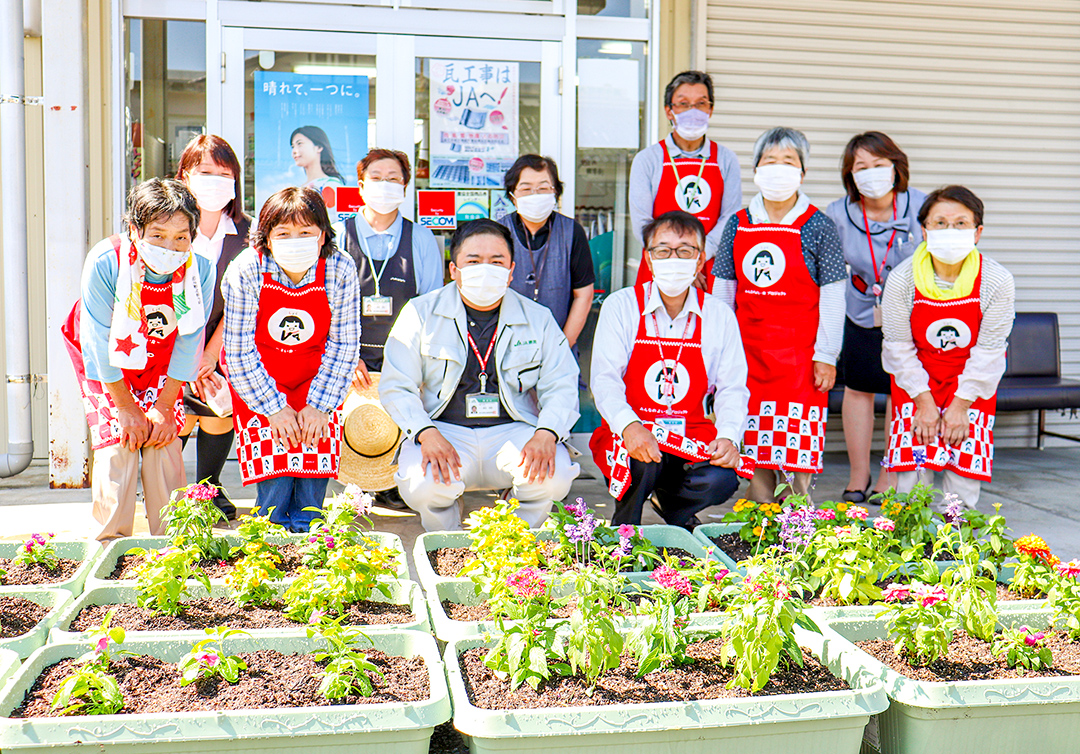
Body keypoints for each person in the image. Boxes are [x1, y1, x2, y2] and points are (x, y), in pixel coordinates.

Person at [380, 218, 581, 531]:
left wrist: (547, 433)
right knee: (422, 483)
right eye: (473, 261)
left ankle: (513, 541)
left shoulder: (538, 319)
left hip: (514, 430)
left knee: (553, 476)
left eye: (496, 261)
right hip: (445, 430)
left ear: (511, 270)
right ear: (454, 269)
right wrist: (425, 432)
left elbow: (562, 384)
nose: (485, 269)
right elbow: (397, 387)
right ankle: (448, 541)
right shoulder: (420, 313)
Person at [62, 179, 215, 541]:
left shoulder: (201, 271)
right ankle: (108, 545)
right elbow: (97, 339)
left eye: (181, 236)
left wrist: (164, 404)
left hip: (163, 360)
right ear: (135, 229)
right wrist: (127, 409)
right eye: (158, 235)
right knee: (120, 445)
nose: (171, 246)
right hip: (106, 361)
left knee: (164, 442)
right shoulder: (106, 261)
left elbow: (191, 339)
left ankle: (176, 544)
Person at [590, 211, 750, 529]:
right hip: (631, 435)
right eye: (663, 250)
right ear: (648, 260)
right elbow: (604, 380)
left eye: (685, 250)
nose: (673, 258)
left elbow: (733, 387)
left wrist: (729, 437)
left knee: (720, 479)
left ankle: (672, 507)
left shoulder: (718, 315)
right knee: (641, 459)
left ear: (700, 259)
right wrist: (629, 426)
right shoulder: (620, 306)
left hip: (689, 433)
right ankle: (624, 529)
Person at [712, 127, 846, 503]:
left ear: (802, 173)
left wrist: (826, 355)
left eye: (788, 162)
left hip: (801, 357)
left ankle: (794, 524)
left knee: (796, 452)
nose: (778, 169)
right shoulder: (738, 223)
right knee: (752, 443)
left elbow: (834, 296)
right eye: (769, 161)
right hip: (747, 353)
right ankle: (758, 524)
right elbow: (723, 291)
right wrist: (719, 351)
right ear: (755, 170)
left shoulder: (819, 226)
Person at [221, 187, 361, 532]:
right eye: (283, 233)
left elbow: (344, 344)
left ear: (323, 234)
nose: (295, 240)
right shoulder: (247, 269)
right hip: (259, 384)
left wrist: (319, 407)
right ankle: (269, 553)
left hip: (319, 382)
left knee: (311, 493)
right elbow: (238, 350)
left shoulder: (340, 268)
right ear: (266, 238)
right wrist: (273, 408)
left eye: (306, 233)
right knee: (275, 490)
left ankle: (312, 554)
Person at [881, 185, 1015, 510]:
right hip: (915, 383)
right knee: (912, 482)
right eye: (939, 223)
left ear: (978, 231)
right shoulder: (902, 280)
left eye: (960, 223)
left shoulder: (996, 281)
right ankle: (909, 545)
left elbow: (990, 352)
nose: (949, 230)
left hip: (971, 384)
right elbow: (897, 347)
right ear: (924, 230)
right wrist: (924, 403)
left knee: (963, 476)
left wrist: (960, 405)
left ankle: (956, 544)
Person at [336, 148, 442, 509]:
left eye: (394, 179)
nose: (385, 185)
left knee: (400, 420)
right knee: (359, 428)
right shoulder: (337, 237)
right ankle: (355, 481)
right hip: (351, 360)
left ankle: (393, 482)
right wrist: (345, 358)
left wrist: (418, 364)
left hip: (404, 358)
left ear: (406, 187)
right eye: (377, 178)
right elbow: (325, 305)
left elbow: (432, 308)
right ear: (361, 186)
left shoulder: (421, 239)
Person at [827, 132, 926, 504]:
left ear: (896, 167)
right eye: (861, 167)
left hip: (910, 314)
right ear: (850, 176)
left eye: (879, 165)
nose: (871, 174)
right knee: (859, 388)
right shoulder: (837, 213)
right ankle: (858, 475)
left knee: (901, 391)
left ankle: (889, 474)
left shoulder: (921, 206)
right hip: (859, 307)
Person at [174, 134, 251, 519]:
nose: (215, 180)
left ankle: (208, 485)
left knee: (217, 408)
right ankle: (170, 485)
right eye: (205, 172)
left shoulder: (248, 233)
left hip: (224, 343)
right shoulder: (167, 226)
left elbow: (245, 300)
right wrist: (187, 352)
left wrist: (209, 352)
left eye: (225, 173)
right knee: (179, 411)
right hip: (171, 340)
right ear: (185, 175)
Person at [629, 70, 742, 290]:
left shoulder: (726, 159)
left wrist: (696, 259)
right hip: (661, 267)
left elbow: (730, 219)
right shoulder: (649, 159)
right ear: (669, 111)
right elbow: (642, 223)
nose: (693, 111)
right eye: (683, 103)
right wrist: (677, 264)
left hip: (710, 267)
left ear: (710, 110)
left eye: (701, 103)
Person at [499, 154, 595, 347]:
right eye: (525, 189)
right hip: (507, 345)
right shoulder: (498, 233)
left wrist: (562, 347)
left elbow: (583, 295)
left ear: (555, 193)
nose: (534, 195)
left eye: (543, 188)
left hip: (560, 341)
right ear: (512, 196)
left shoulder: (572, 232)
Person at [291, 126, 345, 191]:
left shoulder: (331, 185)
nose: (294, 151)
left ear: (318, 147)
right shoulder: (299, 189)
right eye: (293, 146)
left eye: (299, 144)